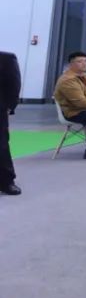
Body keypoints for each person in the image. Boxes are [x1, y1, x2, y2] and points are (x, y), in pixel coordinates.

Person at [1, 51, 21, 195]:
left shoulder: (6, 58)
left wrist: (9, 106)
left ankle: (7, 181)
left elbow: (14, 84)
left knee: (1, 146)